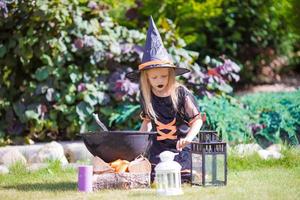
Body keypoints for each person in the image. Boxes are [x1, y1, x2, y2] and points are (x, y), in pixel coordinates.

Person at [126, 16, 203, 182]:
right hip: (157, 148)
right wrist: (138, 148)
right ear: (146, 79)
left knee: (183, 175)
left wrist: (188, 138)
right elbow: (146, 123)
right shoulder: (147, 96)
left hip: (182, 146)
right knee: (153, 176)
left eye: (163, 76)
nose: (159, 81)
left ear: (170, 75)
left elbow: (197, 121)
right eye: (154, 78)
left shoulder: (181, 93)